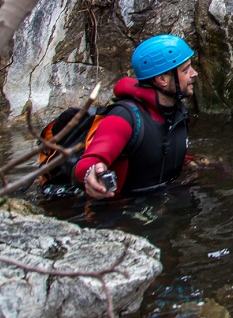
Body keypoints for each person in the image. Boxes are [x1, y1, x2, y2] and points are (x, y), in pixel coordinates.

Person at [74, 34, 199, 200]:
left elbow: (160, 149)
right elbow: (91, 159)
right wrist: (91, 173)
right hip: (125, 209)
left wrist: (192, 161)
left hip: (165, 198)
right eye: (186, 70)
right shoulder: (125, 117)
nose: (194, 73)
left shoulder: (177, 112)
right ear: (162, 79)